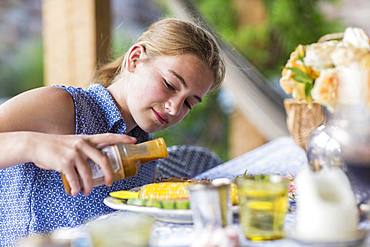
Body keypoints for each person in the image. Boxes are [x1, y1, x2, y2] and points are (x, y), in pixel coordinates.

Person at [0, 18, 225, 245]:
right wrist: (31, 145)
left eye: (188, 103)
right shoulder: (65, 106)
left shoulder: (143, 153)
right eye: (169, 85)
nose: (174, 108)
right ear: (135, 59)